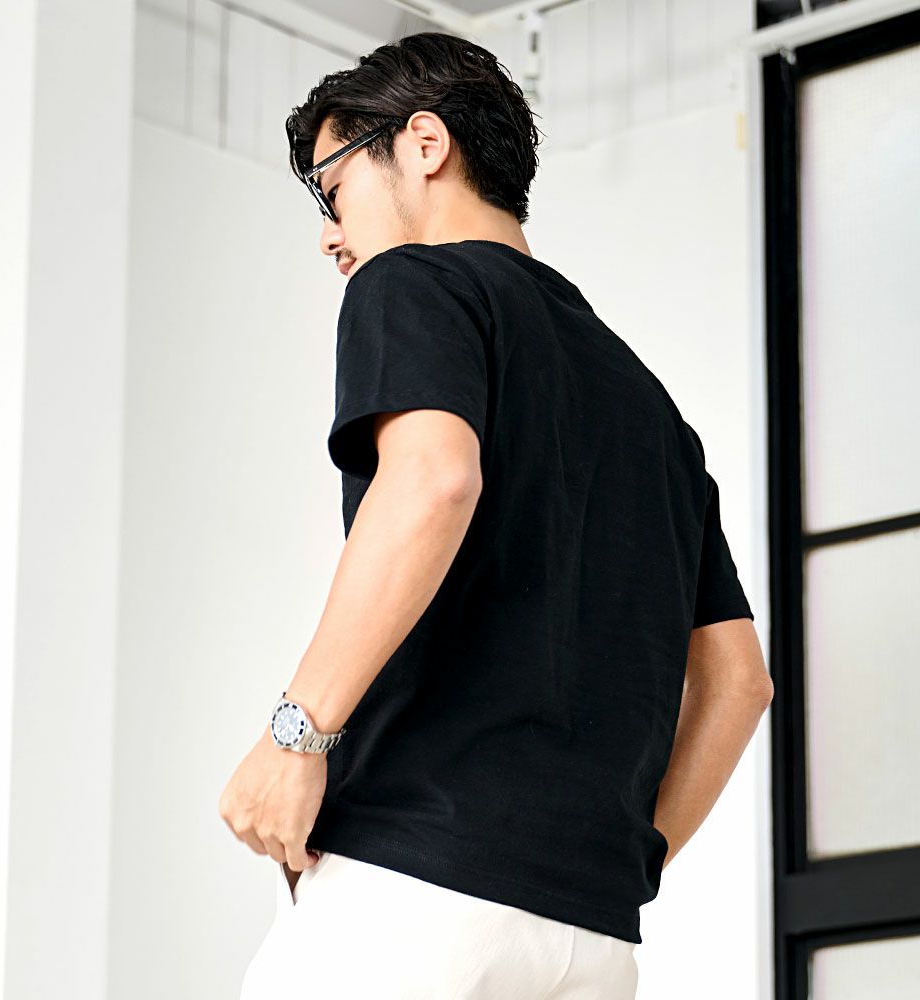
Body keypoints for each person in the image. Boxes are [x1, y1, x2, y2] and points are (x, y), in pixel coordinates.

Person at [221, 30, 773, 1000]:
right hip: (591, 942)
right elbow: (739, 682)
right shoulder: (650, 408)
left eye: (334, 191)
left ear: (424, 144)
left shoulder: (414, 281)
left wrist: (295, 735)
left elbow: (435, 478)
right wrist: (614, 863)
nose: (330, 236)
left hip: (413, 887)